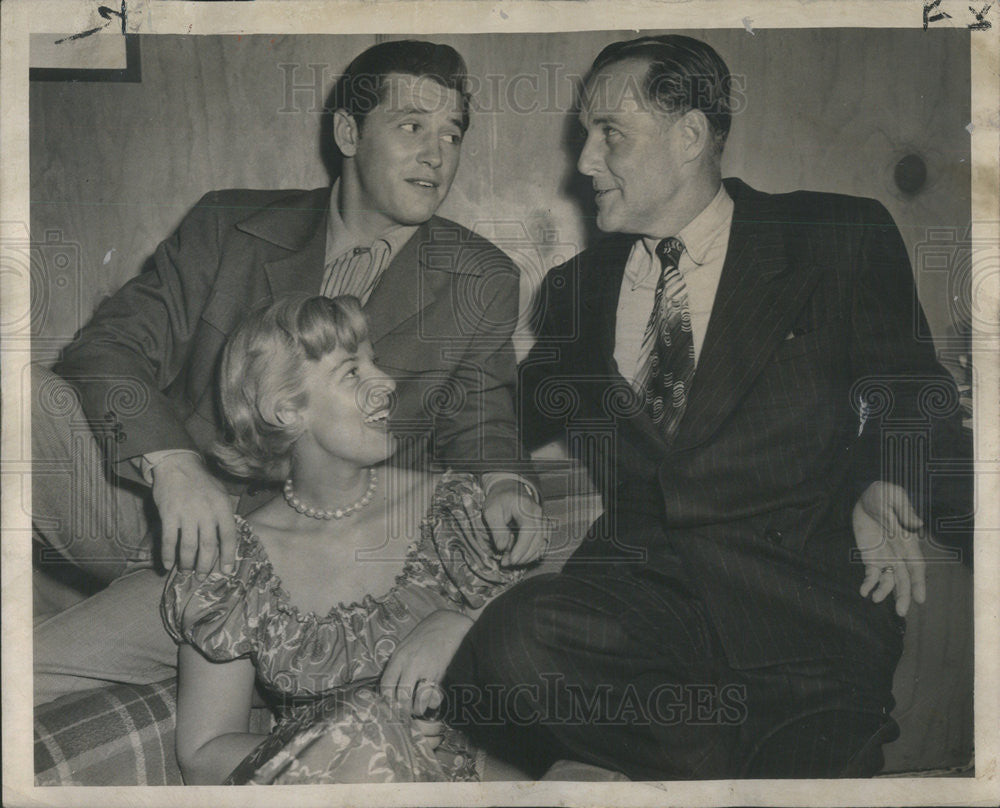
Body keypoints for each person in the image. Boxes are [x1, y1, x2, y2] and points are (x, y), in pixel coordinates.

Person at [445, 35, 973, 779]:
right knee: (513, 640)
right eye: (585, 136)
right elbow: (498, 409)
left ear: (689, 136)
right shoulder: (577, 288)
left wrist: (889, 476)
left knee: (805, 762)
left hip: (803, 634)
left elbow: (914, 390)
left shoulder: (833, 237)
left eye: (610, 135)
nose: (586, 162)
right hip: (645, 625)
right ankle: (720, 766)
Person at [33, 39, 544, 705]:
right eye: (411, 126)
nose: (436, 153)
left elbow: (485, 425)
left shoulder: (481, 276)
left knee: (27, 670)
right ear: (347, 132)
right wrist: (173, 466)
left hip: (280, 562)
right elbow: (105, 348)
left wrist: (508, 485)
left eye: (452, 133)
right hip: (153, 505)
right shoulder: (228, 224)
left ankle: (89, 617)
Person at [162, 293, 522, 784]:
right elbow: (204, 754)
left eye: (374, 361)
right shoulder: (233, 563)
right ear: (286, 409)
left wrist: (462, 623)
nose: (387, 383)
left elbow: (555, 657)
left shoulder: (450, 509)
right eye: (353, 372)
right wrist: (358, 744)